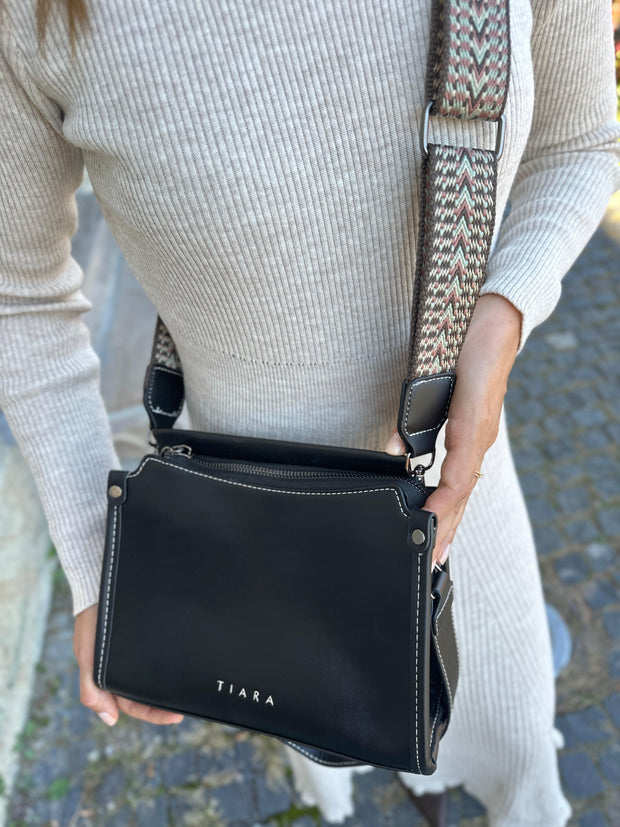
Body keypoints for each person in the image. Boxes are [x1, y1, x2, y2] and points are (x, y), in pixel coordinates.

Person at [1, 1, 619, 824]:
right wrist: (93, 552)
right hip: (244, 536)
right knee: (324, 731)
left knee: (504, 742)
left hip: (451, 502)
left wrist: (501, 315)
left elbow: (580, 142)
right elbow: (20, 292)